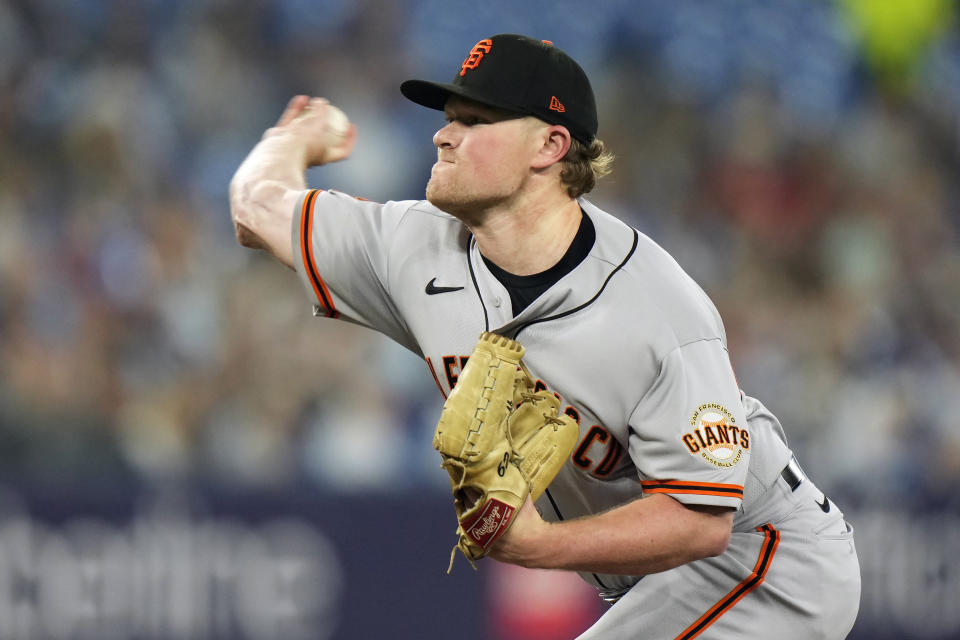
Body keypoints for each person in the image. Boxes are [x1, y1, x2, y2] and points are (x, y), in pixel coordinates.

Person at [229, 33, 861, 640]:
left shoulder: (658, 311)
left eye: (473, 121)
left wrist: (537, 546)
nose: (443, 136)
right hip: (658, 584)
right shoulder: (410, 248)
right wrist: (290, 139)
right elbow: (256, 206)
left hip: (768, 560)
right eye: (447, 117)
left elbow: (702, 522)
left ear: (550, 146)